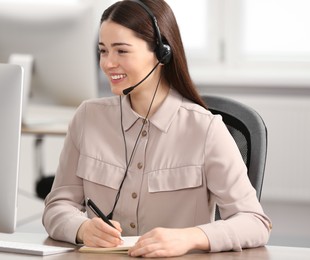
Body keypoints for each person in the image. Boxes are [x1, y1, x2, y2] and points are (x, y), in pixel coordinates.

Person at [42, 0, 272, 257]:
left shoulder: (205, 129)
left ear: (162, 53)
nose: (108, 63)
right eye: (103, 51)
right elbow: (57, 206)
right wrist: (83, 228)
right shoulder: (87, 118)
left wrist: (191, 237)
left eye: (121, 51)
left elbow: (255, 222)